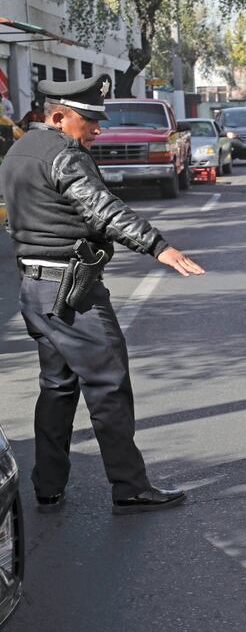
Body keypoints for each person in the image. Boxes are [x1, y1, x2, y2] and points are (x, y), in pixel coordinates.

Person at [0, 74, 205, 515]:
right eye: (89, 120)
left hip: (35, 290)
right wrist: (158, 246)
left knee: (57, 387)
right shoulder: (64, 154)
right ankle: (130, 488)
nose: (97, 128)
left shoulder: (19, 150)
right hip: (72, 293)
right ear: (59, 117)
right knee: (108, 384)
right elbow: (103, 210)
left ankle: (47, 486)